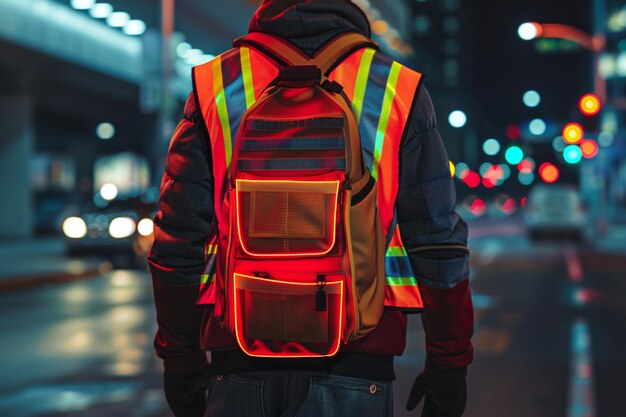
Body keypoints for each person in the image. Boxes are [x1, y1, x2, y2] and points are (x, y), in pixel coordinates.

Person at [147, 1, 474, 416]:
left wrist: (181, 361)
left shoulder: (216, 83)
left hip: (239, 364)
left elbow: (176, 242)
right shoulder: (395, 87)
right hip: (359, 364)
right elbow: (438, 243)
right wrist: (448, 365)